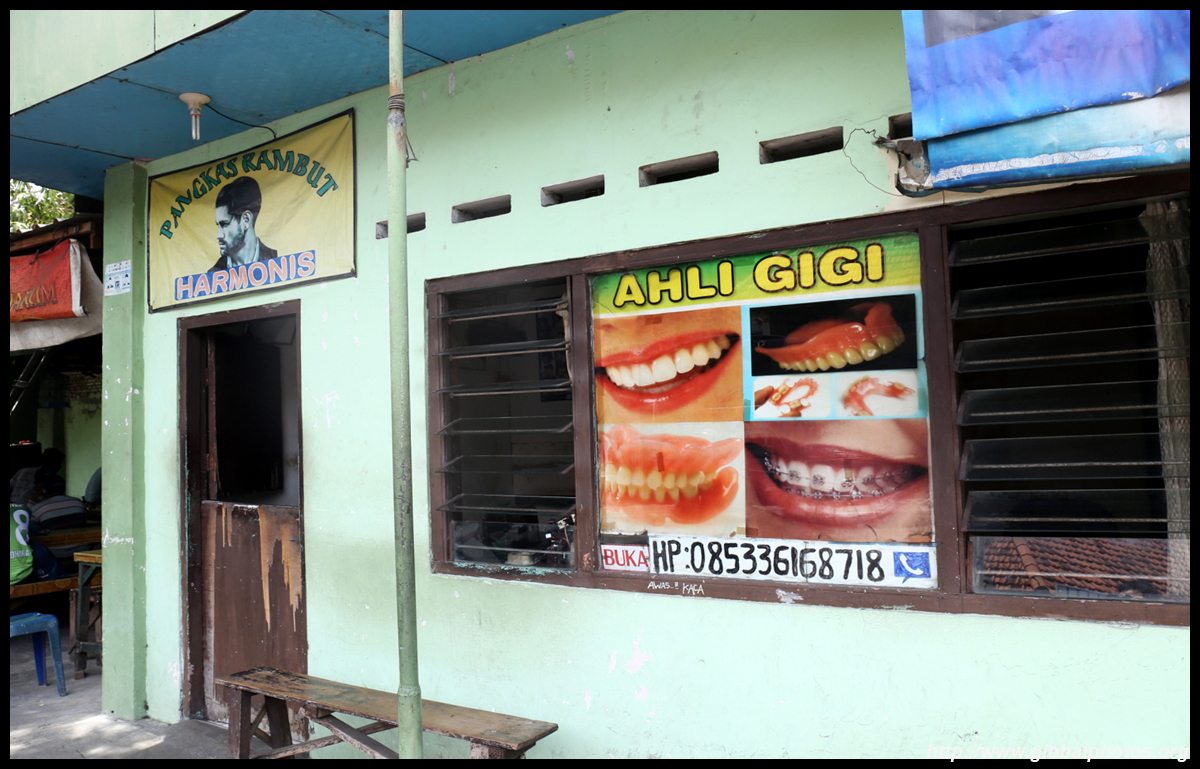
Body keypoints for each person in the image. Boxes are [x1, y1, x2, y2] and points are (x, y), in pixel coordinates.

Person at [209, 176, 277, 272]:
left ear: (246, 219)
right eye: (218, 225)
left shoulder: (276, 261)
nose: (218, 235)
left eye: (224, 224)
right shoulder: (213, 274)